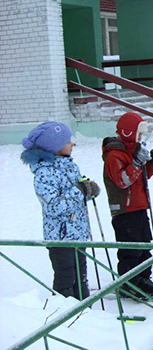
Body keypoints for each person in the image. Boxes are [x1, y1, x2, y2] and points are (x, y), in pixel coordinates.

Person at [21, 122, 100, 300]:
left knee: (82, 279)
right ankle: (64, 316)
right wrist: (79, 191)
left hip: (78, 233)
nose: (72, 144)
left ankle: (86, 313)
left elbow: (77, 193)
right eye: (67, 141)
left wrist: (89, 190)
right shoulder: (44, 173)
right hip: (60, 237)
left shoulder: (70, 165)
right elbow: (53, 206)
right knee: (66, 279)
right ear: (54, 147)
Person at [102, 112, 153, 297]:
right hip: (124, 209)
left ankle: (144, 278)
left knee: (145, 244)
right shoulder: (114, 156)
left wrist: (152, 163)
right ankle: (129, 283)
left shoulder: (132, 151)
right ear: (128, 133)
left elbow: (140, 177)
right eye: (138, 134)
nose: (140, 139)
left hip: (139, 206)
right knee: (131, 249)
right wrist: (138, 161)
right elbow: (124, 181)